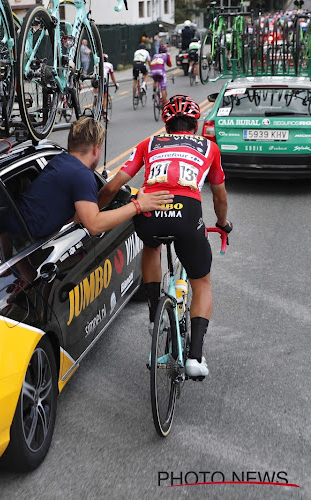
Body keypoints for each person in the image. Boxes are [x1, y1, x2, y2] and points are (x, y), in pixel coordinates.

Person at [99, 95, 232, 379]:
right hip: (187, 214)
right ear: (195, 126)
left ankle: (153, 314)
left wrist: (94, 209)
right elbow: (219, 196)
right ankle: (195, 357)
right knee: (202, 282)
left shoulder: (150, 143)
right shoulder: (210, 147)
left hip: (150, 211)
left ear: (166, 124)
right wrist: (223, 223)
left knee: (151, 246)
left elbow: (113, 186)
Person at [16, 117, 173, 241]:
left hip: (14, 236)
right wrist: (138, 205)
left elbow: (74, 215)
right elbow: (94, 225)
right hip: (20, 240)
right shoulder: (82, 175)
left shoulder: (59, 161)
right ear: (96, 148)